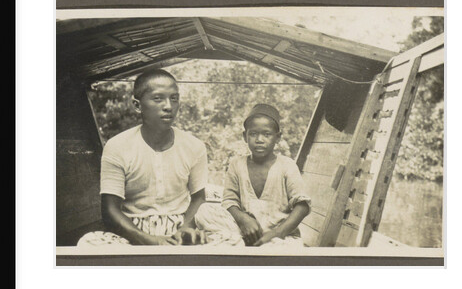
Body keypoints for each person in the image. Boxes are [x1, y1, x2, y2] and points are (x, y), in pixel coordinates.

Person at [77, 69, 208, 247]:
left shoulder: (194, 146)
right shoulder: (118, 146)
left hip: (181, 227)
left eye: (174, 98)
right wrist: (151, 241)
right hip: (132, 230)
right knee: (89, 243)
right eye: (158, 98)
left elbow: (199, 198)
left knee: (229, 240)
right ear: (137, 105)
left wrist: (185, 229)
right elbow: (110, 210)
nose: (168, 106)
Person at [195, 104, 311, 247]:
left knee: (284, 246)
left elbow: (302, 206)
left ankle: (243, 244)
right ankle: (246, 242)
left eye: (267, 134)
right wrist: (244, 220)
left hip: (280, 235)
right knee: (204, 211)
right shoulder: (236, 164)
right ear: (245, 136)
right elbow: (229, 202)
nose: (259, 139)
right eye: (253, 134)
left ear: (278, 137)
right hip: (245, 230)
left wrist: (277, 233)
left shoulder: (287, 165)